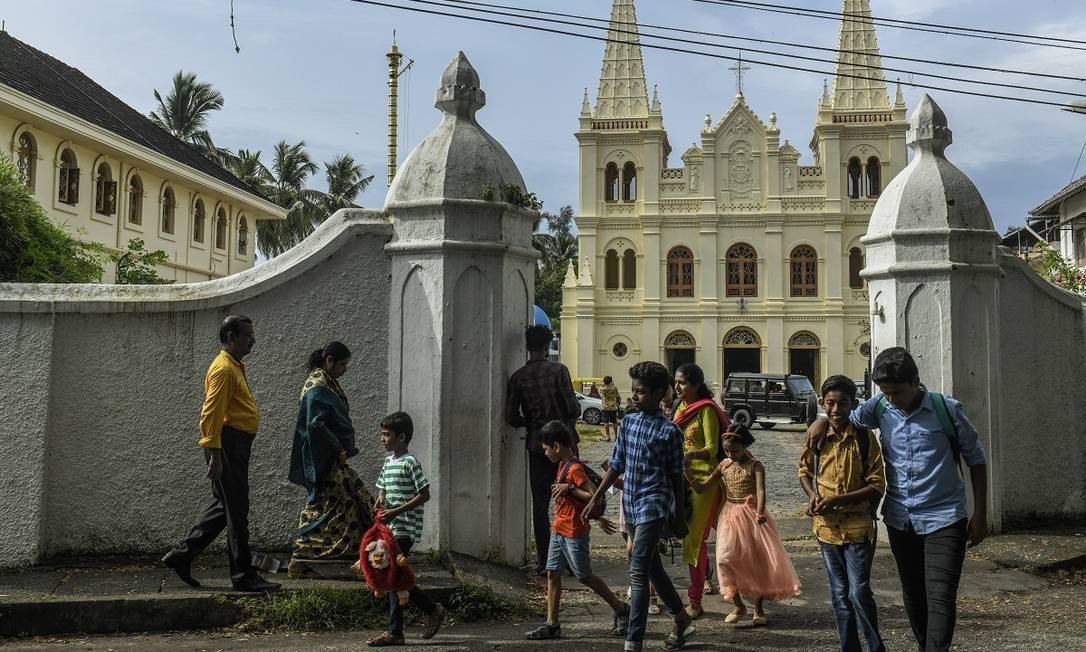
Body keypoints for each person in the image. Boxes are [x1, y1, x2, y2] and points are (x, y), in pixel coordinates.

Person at [805, 347, 988, 652]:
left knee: (940, 597)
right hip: (900, 519)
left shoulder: (947, 410)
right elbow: (845, 416)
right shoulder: (879, 408)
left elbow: (976, 460)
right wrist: (822, 420)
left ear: (916, 381)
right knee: (914, 595)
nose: (892, 399)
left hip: (945, 517)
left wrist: (979, 514)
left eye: (897, 392)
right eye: (886, 393)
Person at [162, 316, 280, 593]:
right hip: (228, 445)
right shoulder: (225, 369)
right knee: (237, 511)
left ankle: (182, 555)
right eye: (247, 335)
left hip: (233, 444)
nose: (253, 339)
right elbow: (210, 415)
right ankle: (243, 576)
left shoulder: (233, 366)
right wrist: (215, 455)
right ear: (231, 337)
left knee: (224, 507)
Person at [585, 361, 695, 652]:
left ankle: (633, 639)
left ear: (660, 392)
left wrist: (680, 517)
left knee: (637, 569)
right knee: (652, 569)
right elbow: (617, 463)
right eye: (633, 390)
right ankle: (681, 618)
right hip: (631, 504)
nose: (635, 396)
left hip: (655, 505)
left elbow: (676, 478)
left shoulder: (670, 432)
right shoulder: (629, 422)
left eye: (642, 391)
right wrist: (596, 496)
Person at [798, 375, 886, 652]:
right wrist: (813, 496)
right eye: (831, 403)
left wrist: (838, 500)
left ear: (853, 404)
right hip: (825, 529)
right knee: (838, 594)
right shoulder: (818, 435)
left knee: (858, 592)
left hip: (858, 527)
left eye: (843, 403)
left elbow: (877, 484)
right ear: (823, 403)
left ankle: (875, 647)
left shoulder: (863, 437)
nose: (836, 410)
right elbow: (804, 471)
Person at [526, 421, 630, 641]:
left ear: (556, 446)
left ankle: (621, 609)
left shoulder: (574, 468)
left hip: (574, 530)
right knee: (552, 573)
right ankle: (552, 623)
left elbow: (594, 495)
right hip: (559, 528)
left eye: (545, 449)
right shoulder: (563, 464)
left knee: (584, 575)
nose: (544, 454)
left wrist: (570, 488)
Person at [688, 424, 801, 626]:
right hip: (730, 515)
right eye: (727, 450)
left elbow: (761, 491)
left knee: (755, 561)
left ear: (745, 446)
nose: (731, 454)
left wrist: (759, 512)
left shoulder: (756, 465)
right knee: (725, 558)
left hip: (752, 515)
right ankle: (738, 604)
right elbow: (703, 487)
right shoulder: (724, 465)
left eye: (735, 450)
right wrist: (687, 472)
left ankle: (758, 608)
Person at [287, 342, 376, 577]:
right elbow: (315, 424)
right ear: (329, 361)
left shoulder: (325, 382)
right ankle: (303, 554)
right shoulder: (317, 386)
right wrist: (337, 449)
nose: (345, 369)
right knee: (342, 503)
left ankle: (355, 557)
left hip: (333, 458)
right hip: (325, 459)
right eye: (343, 364)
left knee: (343, 504)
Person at [506, 325, 581, 576]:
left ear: (528, 347)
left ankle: (545, 561)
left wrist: (530, 424)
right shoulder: (559, 371)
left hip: (538, 446)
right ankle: (572, 558)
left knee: (540, 505)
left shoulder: (518, 377)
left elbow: (510, 416)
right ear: (548, 345)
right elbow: (573, 409)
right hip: (565, 446)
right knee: (573, 498)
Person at [367, 412, 446, 647]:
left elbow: (424, 494)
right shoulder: (388, 461)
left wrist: (397, 511)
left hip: (404, 528)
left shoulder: (410, 463)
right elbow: (382, 486)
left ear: (401, 437)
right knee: (395, 577)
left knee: (392, 575)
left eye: (386, 435)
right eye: (382, 434)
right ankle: (431, 610)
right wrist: (381, 499)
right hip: (389, 527)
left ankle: (396, 631)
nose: (382, 439)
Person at [671, 363, 729, 619]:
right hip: (681, 479)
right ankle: (707, 580)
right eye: (676, 382)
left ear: (696, 385)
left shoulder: (706, 410)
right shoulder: (678, 409)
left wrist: (690, 454)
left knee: (695, 539)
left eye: (682, 383)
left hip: (705, 479)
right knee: (695, 536)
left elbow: (711, 447)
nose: (677, 387)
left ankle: (695, 601)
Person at [600, 376, 621, 442]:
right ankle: (616, 437)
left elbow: (600, 392)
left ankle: (608, 437)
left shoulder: (602, 389)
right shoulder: (614, 388)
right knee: (614, 422)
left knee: (606, 422)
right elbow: (618, 397)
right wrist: (618, 404)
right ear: (610, 382)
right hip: (613, 407)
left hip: (605, 407)